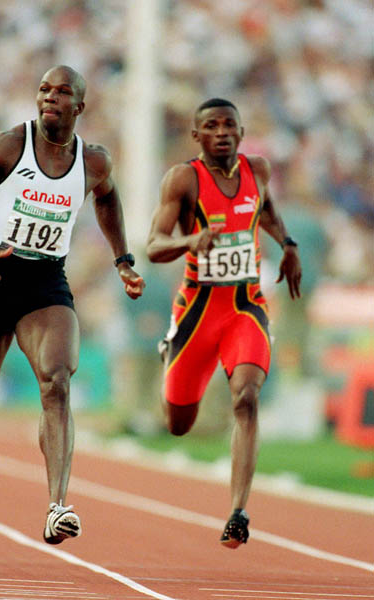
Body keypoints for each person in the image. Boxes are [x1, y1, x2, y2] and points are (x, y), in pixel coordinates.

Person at [0, 65, 145, 545]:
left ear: (80, 107)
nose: (50, 97)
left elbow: (107, 201)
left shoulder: (93, 163)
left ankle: (57, 506)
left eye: (63, 91)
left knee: (56, 381)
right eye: (44, 89)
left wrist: (123, 260)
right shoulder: (7, 146)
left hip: (45, 281)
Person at [146, 98, 301, 549]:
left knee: (246, 398)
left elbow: (266, 210)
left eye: (229, 124)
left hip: (244, 307)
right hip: (196, 314)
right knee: (178, 423)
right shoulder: (183, 179)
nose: (221, 132)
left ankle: (237, 510)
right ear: (197, 136)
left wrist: (287, 244)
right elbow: (154, 244)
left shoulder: (258, 171)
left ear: (241, 130)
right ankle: (168, 355)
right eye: (210, 126)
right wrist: (193, 239)